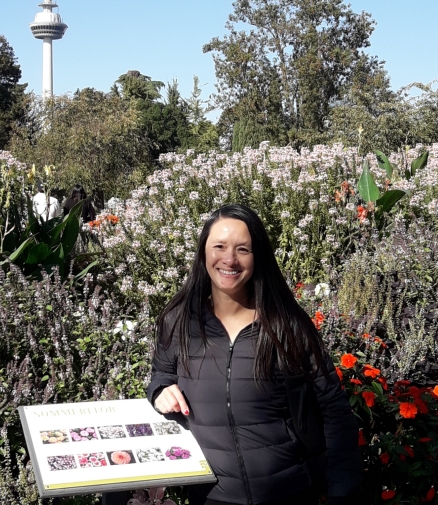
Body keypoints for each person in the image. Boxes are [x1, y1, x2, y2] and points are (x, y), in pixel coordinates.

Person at [147, 204, 362, 505]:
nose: (229, 259)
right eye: (219, 246)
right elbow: (161, 374)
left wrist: (342, 490)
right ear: (203, 252)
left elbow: (334, 409)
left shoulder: (287, 326)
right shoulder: (180, 321)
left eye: (243, 249)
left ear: (257, 256)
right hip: (210, 497)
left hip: (289, 492)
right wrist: (159, 390)